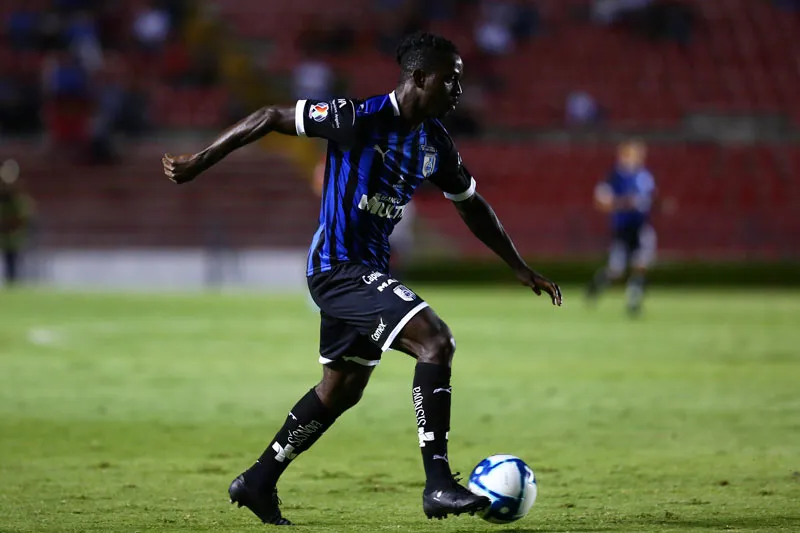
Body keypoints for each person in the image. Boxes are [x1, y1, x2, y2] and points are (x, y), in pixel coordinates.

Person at [162, 32, 562, 525]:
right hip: (336, 269)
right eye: (450, 80)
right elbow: (268, 116)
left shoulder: (434, 142)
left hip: (368, 272)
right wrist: (198, 161)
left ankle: (258, 480)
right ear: (419, 77)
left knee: (341, 388)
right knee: (436, 341)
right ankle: (438, 483)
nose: (459, 90)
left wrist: (518, 265)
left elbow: (471, 205)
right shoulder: (356, 117)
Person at [586, 139, 657, 316]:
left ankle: (633, 302)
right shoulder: (614, 177)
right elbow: (601, 201)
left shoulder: (645, 176)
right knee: (616, 271)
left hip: (641, 227)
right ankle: (597, 284)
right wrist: (623, 203)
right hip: (622, 229)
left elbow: (649, 198)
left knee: (640, 265)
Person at [0, 159, 33, 287]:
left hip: (14, 238)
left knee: (12, 261)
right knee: (10, 261)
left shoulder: (17, 198)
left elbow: (22, 217)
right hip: (8, 237)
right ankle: (11, 282)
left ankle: (13, 282)